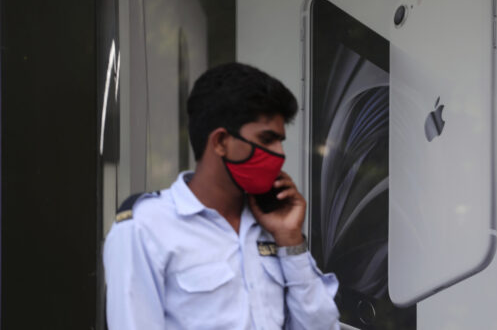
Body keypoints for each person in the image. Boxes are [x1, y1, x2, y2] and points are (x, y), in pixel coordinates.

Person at [103, 62, 340, 329]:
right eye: (267, 139)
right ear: (220, 142)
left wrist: (291, 240)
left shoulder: (271, 226)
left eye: (280, 141)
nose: (279, 153)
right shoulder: (145, 228)